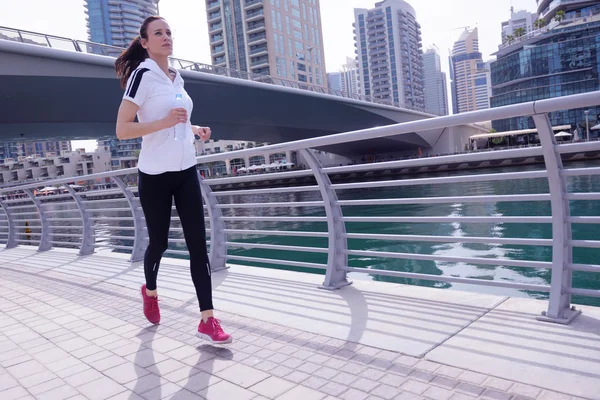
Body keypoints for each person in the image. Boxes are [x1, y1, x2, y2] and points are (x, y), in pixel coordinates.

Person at [114, 16, 231, 344]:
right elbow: (123, 129)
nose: (166, 37)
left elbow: (177, 118)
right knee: (160, 243)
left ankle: (208, 320)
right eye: (158, 33)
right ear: (145, 42)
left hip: (186, 170)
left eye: (168, 32)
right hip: (154, 175)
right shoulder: (142, 75)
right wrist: (166, 123)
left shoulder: (176, 79)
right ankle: (150, 291)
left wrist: (194, 128)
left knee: (198, 245)